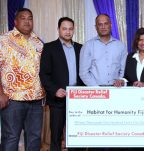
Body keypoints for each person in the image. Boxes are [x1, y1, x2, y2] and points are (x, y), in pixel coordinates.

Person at [0, 8, 45, 151]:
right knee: (11, 137)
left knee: (35, 138)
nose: (27, 21)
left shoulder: (38, 42)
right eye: (23, 18)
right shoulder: (4, 40)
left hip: (36, 99)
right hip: (13, 99)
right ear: (15, 21)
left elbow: (43, 70)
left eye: (30, 18)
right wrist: (0, 94)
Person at [39, 17, 84, 151]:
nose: (67, 32)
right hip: (58, 99)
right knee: (56, 138)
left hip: (77, 98)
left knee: (76, 136)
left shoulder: (80, 48)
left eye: (70, 29)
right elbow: (44, 74)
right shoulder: (49, 47)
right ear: (58, 29)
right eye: (64, 29)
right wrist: (55, 90)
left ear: (74, 30)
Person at [79, 14, 127, 87]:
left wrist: (120, 80)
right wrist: (97, 89)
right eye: (100, 24)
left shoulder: (121, 46)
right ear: (96, 27)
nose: (103, 27)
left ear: (110, 25)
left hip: (116, 89)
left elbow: (123, 70)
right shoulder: (87, 46)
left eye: (106, 24)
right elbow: (83, 72)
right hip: (95, 90)